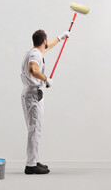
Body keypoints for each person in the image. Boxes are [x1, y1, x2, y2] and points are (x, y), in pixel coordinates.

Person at [20, 29, 70, 174]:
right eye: (47, 41)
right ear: (44, 40)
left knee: (35, 129)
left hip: (32, 94)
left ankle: (33, 160)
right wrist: (45, 79)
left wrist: (61, 38)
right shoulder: (35, 54)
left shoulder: (33, 51)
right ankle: (30, 165)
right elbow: (33, 69)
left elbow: (47, 47)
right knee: (34, 130)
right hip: (33, 95)